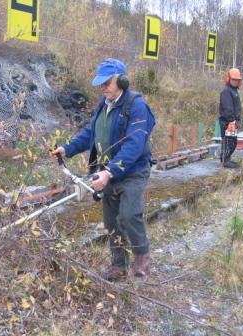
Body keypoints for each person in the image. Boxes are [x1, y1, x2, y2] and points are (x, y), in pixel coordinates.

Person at [51, 58, 155, 281]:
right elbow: (92, 133)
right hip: (108, 171)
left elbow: (134, 144)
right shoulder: (104, 105)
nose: (103, 88)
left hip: (133, 171)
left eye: (107, 83)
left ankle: (142, 255)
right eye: (101, 84)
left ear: (122, 80)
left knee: (128, 215)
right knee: (111, 222)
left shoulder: (136, 106)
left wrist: (109, 173)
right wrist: (68, 149)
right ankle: (119, 266)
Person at [218, 68, 242, 169]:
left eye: (237, 80)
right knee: (229, 142)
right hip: (228, 122)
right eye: (234, 79)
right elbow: (228, 108)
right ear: (229, 79)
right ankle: (225, 160)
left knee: (231, 141)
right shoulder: (226, 92)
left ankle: (225, 158)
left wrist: (238, 120)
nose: (236, 81)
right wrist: (231, 120)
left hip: (232, 121)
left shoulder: (234, 91)